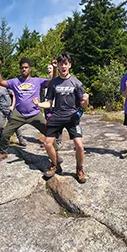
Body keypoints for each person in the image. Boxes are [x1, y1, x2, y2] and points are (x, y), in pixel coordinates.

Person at [35, 52, 89, 183]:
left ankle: (79, 169)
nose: (63, 66)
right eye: (61, 64)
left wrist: (86, 100)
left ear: (69, 65)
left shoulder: (76, 82)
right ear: (58, 66)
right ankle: (54, 164)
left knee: (79, 145)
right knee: (47, 143)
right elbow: (48, 102)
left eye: (66, 64)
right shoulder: (54, 83)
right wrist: (38, 104)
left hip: (72, 116)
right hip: (57, 115)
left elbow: (83, 104)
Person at [0, 58, 48, 162]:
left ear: (30, 69)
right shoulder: (15, 81)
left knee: (49, 132)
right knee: (5, 133)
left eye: (26, 67)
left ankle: (55, 154)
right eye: (22, 68)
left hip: (35, 113)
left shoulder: (37, 81)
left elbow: (52, 82)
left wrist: (54, 69)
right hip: (19, 114)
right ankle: (3, 152)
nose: (24, 69)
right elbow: (0, 81)